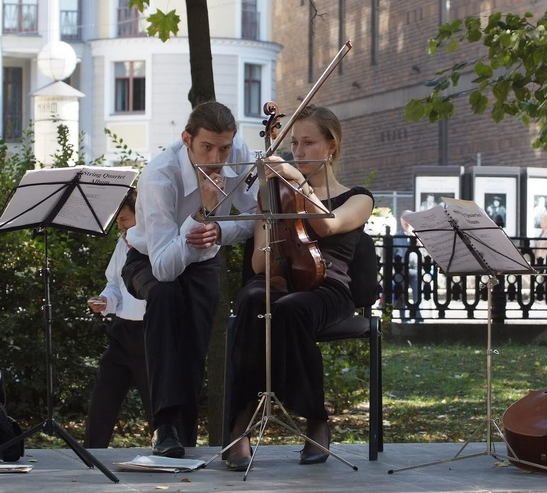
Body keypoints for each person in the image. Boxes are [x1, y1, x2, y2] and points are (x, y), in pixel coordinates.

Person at [225, 105, 373, 471]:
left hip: (329, 289)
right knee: (252, 299)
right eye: (294, 143)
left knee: (291, 309)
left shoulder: (358, 197)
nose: (299, 151)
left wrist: (295, 180)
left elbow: (325, 227)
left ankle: (315, 418)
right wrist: (269, 210)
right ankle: (238, 425)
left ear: (331, 146)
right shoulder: (276, 194)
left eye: (308, 143)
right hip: (280, 282)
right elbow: (260, 266)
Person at [121, 101, 257, 458]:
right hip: (148, 258)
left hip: (205, 257)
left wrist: (217, 230)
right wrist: (202, 213)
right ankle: (164, 427)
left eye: (224, 148)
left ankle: (184, 434)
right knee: (166, 300)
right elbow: (164, 266)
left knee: (196, 337)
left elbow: (257, 215)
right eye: (206, 147)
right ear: (186, 139)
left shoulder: (239, 154)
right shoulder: (159, 175)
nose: (216, 158)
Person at [84, 190, 150, 448]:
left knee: (155, 403)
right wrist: (104, 302)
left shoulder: (154, 243)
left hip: (149, 333)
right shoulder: (122, 244)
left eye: (124, 219)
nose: (120, 226)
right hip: (122, 332)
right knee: (103, 396)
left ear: (140, 216)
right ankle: (92, 452)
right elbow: (113, 285)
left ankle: (167, 452)